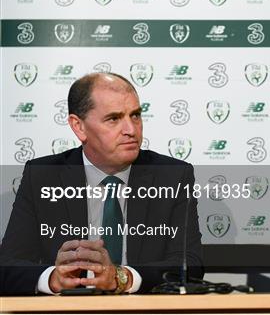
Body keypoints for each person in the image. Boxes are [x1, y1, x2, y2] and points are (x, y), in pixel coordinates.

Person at [0, 72, 203, 295]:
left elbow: (189, 265)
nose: (131, 130)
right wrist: (52, 279)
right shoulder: (42, 176)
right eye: (114, 119)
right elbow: (9, 265)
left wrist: (121, 278)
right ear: (79, 127)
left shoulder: (172, 176)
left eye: (135, 116)